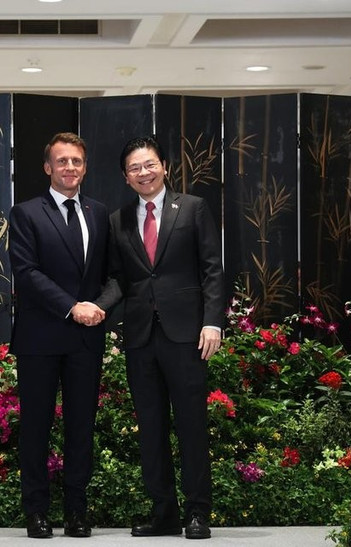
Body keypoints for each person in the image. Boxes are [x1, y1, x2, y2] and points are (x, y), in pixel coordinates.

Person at [95, 135, 223, 540]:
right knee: (150, 429)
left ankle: (198, 513)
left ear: (164, 166)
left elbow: (212, 270)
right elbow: (119, 278)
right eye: (134, 168)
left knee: (190, 425)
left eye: (149, 164)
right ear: (125, 176)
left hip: (187, 335)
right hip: (140, 337)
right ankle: (163, 511)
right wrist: (99, 307)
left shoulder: (193, 208)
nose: (143, 172)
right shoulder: (117, 220)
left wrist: (213, 321)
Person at [8, 132, 109, 539]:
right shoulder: (26, 213)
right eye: (62, 161)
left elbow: (113, 274)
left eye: (77, 161)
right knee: (36, 426)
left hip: (87, 337)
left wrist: (102, 305)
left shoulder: (100, 213)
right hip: (41, 337)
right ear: (48, 167)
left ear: (85, 167)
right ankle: (36, 511)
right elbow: (27, 273)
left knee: (81, 427)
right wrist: (73, 306)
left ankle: (76, 512)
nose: (70, 168)